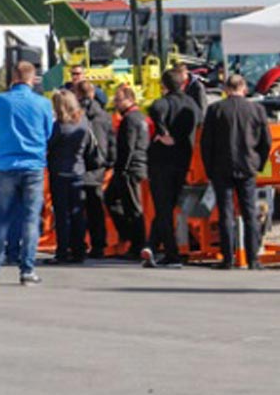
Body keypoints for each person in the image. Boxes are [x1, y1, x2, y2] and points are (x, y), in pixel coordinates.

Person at [0, 62, 54, 286]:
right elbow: (48, 132)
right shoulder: (43, 104)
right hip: (34, 164)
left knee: (0, 218)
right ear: (33, 79)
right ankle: (27, 269)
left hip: (7, 163)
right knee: (30, 219)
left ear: (12, 77)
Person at [199, 73, 270, 270]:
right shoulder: (257, 109)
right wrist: (259, 164)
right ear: (244, 88)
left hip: (222, 167)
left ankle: (228, 258)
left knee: (226, 214)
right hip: (248, 166)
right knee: (250, 213)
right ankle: (253, 259)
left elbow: (206, 143)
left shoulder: (215, 110)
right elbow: (266, 141)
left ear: (226, 89)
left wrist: (209, 168)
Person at [144, 69, 201, 266]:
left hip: (161, 161)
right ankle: (151, 245)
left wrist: (162, 132)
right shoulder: (192, 104)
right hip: (183, 161)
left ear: (164, 86)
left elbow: (155, 109)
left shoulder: (162, 103)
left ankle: (171, 252)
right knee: (168, 207)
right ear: (183, 84)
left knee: (163, 208)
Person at [106, 84, 150, 258]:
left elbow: (128, 147)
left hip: (130, 168)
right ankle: (129, 236)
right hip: (136, 165)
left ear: (129, 99)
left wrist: (121, 168)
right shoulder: (140, 117)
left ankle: (137, 244)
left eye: (119, 99)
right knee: (113, 199)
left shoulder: (130, 120)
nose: (116, 103)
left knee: (132, 207)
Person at [46, 90, 89, 264]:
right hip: (78, 169)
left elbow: (49, 144)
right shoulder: (83, 122)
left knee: (62, 213)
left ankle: (62, 250)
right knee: (77, 212)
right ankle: (79, 249)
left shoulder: (59, 126)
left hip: (59, 171)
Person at [74, 81, 112, 259]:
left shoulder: (76, 115)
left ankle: (78, 245)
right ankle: (99, 244)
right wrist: (109, 162)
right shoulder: (104, 116)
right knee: (96, 207)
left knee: (77, 208)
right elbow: (112, 142)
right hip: (98, 166)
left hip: (79, 165)